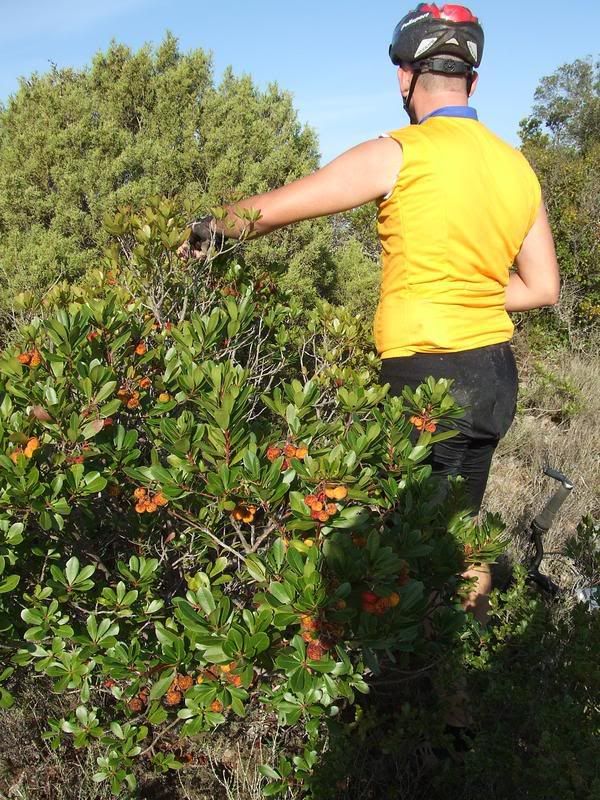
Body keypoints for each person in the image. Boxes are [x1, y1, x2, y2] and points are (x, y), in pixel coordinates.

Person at [181, 4, 560, 626]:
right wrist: (466, 292)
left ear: (404, 76)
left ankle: (398, 673)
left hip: (426, 376)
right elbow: (542, 287)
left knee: (394, 535)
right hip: (493, 375)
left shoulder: (402, 152)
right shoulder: (516, 166)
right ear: (473, 80)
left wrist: (205, 230)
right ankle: (460, 677)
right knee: (460, 527)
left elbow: (281, 207)